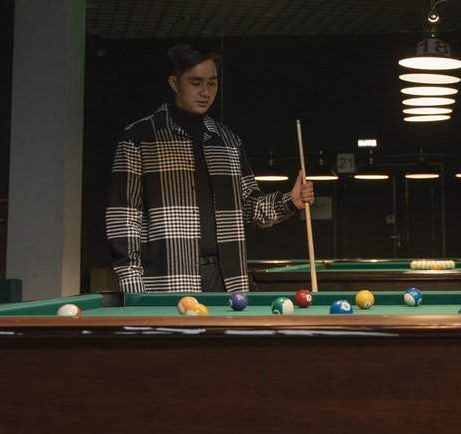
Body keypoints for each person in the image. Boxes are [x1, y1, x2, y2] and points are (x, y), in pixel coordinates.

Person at [106, 42, 314, 293]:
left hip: (227, 279)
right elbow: (123, 218)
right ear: (174, 83)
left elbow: (250, 207)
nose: (205, 92)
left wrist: (291, 201)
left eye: (212, 83)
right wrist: (132, 285)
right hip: (167, 280)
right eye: (196, 83)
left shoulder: (228, 140)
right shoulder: (139, 137)